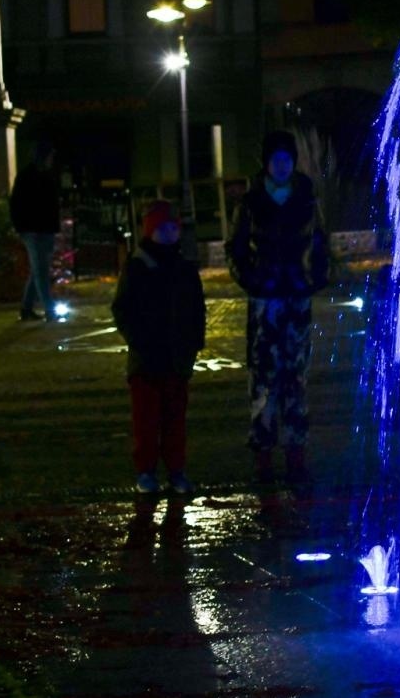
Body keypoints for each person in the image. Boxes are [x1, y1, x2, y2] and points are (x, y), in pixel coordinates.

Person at [226, 129, 330, 484]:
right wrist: (254, 281)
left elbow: (320, 245)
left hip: (296, 300)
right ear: (268, 164)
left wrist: (313, 279)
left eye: (287, 159)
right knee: (263, 375)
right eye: (276, 160)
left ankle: (296, 448)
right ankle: (264, 450)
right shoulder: (251, 202)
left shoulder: (306, 200)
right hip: (265, 302)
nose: (282, 166)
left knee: (296, 376)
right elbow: (236, 250)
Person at [111, 200, 206, 495]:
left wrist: (193, 344)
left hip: (176, 358)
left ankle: (176, 471)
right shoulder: (138, 266)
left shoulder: (183, 267)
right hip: (147, 361)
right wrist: (139, 341)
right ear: (150, 230)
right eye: (163, 228)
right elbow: (122, 308)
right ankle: (147, 472)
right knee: (147, 421)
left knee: (175, 419)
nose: (169, 233)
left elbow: (196, 310)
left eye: (173, 228)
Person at [9, 141, 60, 322]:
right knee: (40, 271)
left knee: (38, 270)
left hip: (42, 229)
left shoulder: (44, 176)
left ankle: (26, 307)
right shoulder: (28, 177)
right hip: (33, 230)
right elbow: (16, 204)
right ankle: (49, 309)